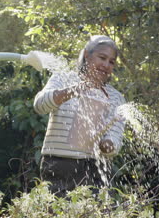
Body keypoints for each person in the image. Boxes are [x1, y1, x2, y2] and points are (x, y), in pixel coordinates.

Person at [33, 35, 126, 196]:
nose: (106, 65)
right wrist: (72, 91)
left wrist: (107, 144)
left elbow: (115, 135)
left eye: (111, 62)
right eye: (102, 57)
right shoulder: (63, 79)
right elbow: (39, 105)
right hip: (58, 164)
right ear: (87, 56)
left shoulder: (115, 97)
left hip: (95, 167)